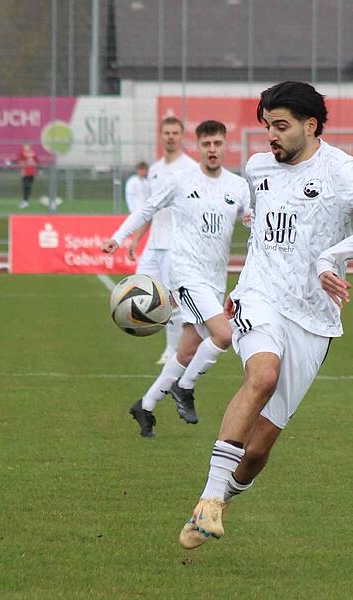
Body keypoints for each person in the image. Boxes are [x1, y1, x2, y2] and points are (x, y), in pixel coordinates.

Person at [177, 81, 353, 549]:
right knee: (262, 375)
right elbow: (261, 232)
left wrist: (330, 257)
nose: (271, 137)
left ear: (311, 125)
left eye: (281, 127)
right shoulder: (258, 167)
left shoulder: (341, 169)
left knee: (258, 450)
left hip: (313, 317)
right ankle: (208, 500)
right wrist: (240, 287)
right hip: (259, 298)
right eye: (267, 127)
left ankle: (222, 500)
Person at [103, 120, 252, 438]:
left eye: (217, 144)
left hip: (214, 278)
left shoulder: (238, 186)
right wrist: (119, 237)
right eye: (206, 144)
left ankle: (145, 405)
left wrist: (252, 219)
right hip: (186, 273)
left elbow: (249, 218)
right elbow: (147, 209)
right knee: (224, 335)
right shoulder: (182, 181)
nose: (212, 150)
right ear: (197, 147)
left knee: (186, 352)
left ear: (226, 145)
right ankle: (184, 388)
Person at [131, 117, 200, 366]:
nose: (170, 137)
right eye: (167, 133)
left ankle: (174, 351)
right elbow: (150, 208)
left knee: (173, 300)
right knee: (141, 291)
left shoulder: (191, 168)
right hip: (153, 243)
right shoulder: (155, 169)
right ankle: (168, 342)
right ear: (161, 136)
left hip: (176, 244)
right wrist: (136, 238)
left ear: (182, 136)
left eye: (175, 133)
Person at [13, 142, 39, 209]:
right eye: (25, 146)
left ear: (30, 146)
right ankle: (25, 201)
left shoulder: (24, 152)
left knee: (26, 187)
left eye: (27, 145)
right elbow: (37, 161)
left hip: (28, 172)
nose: (26, 147)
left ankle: (25, 202)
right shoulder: (33, 152)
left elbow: (18, 160)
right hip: (29, 171)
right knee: (27, 187)